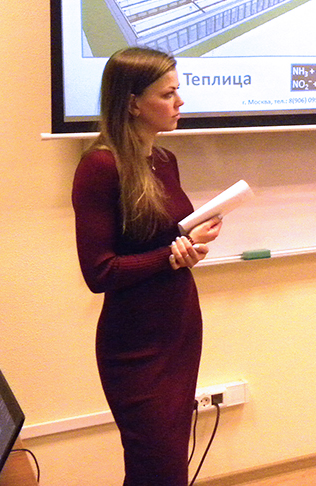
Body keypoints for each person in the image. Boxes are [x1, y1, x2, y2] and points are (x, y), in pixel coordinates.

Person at [72, 47, 222, 486]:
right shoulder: (100, 166)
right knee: (156, 467)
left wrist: (192, 241)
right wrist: (172, 255)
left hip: (179, 327)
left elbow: (165, 239)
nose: (180, 102)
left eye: (178, 91)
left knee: (168, 465)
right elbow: (100, 272)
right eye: (168, 94)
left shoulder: (164, 160)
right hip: (135, 343)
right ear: (133, 103)